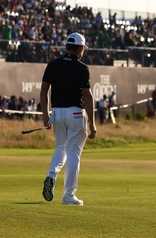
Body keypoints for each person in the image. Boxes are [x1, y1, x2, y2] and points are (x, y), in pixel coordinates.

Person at [39, 32, 96, 205]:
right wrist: (92, 124)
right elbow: (87, 96)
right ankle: (68, 194)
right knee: (73, 153)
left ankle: (51, 174)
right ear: (81, 48)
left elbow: (44, 91)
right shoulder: (82, 68)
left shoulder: (52, 65)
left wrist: (46, 115)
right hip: (76, 114)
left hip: (56, 113)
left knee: (61, 148)